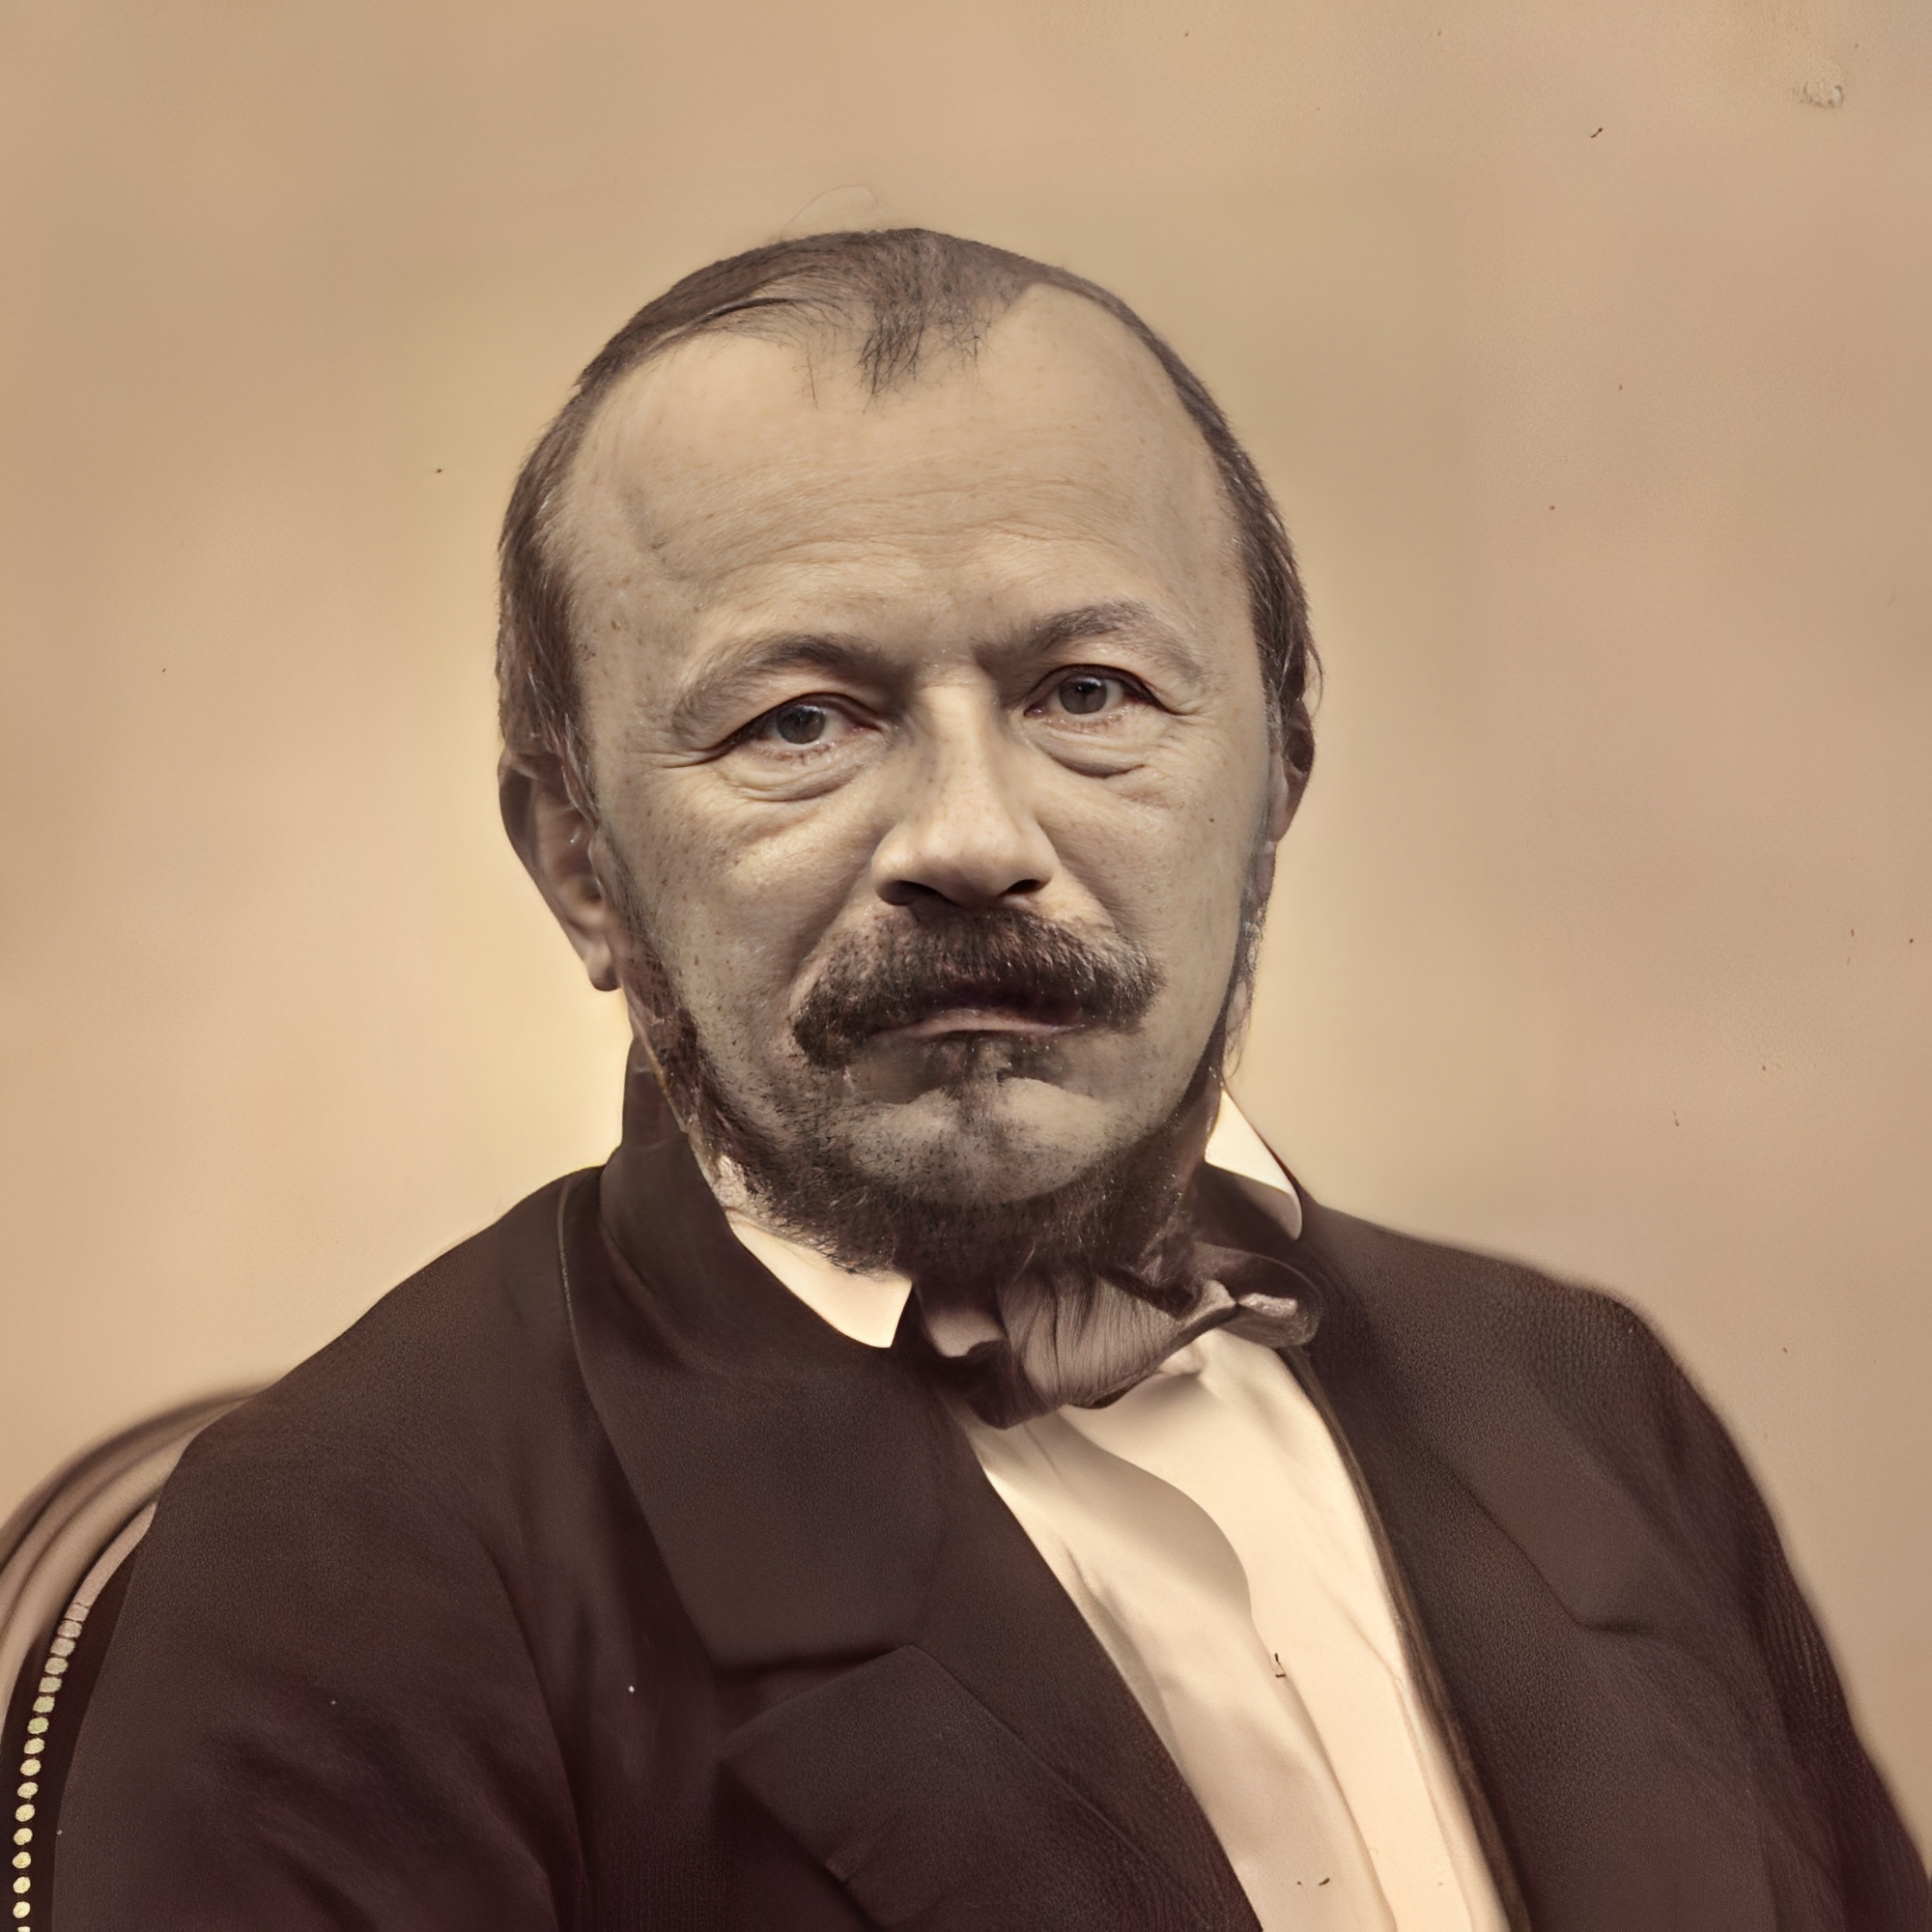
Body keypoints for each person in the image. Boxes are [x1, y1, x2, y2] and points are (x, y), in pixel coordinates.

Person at [50, 230, 1927, 1930]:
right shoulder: (342, 1562)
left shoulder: (1586, 1390)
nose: (970, 837)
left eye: (1088, 692)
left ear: (1278, 770)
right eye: (801, 720)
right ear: (579, 867)